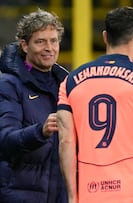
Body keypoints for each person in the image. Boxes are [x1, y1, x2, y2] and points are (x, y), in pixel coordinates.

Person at [57, 7, 133, 203]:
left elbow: (65, 141)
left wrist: (73, 196)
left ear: (105, 37)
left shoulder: (71, 81)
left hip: (90, 193)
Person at [0, 9, 68, 202]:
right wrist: (40, 132)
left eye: (53, 41)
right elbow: (4, 139)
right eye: (40, 41)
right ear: (25, 45)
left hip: (59, 195)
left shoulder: (67, 85)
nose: (49, 47)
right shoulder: (8, 85)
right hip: (18, 195)